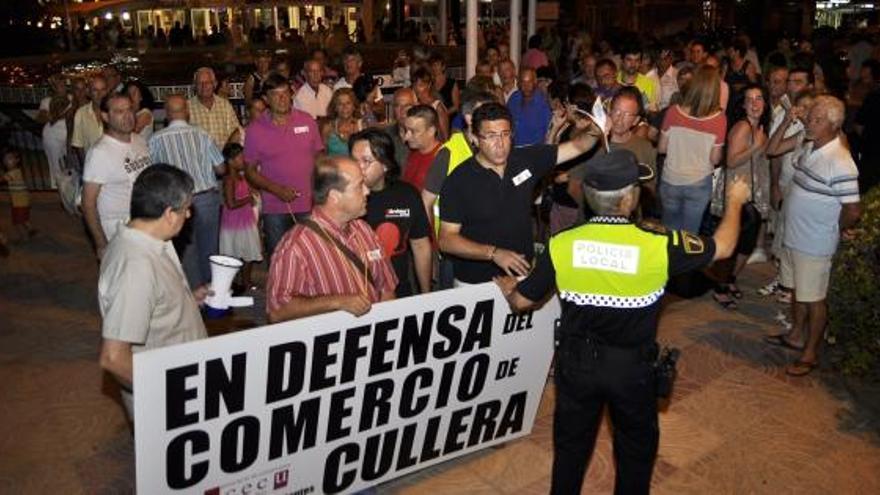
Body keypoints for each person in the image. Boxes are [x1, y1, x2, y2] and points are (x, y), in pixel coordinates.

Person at [495, 149, 750, 495]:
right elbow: (723, 247)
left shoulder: (562, 243)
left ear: (588, 195)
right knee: (634, 454)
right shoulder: (659, 245)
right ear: (629, 198)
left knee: (570, 451)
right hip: (632, 369)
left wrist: (509, 288)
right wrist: (734, 201)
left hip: (576, 365)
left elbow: (522, 302)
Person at [438, 102, 603, 285]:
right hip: (475, 282)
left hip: (522, 274)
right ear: (475, 138)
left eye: (505, 134)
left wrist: (597, 129)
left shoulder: (526, 159)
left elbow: (580, 146)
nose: (499, 144)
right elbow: (446, 239)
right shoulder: (458, 180)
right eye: (490, 136)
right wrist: (493, 253)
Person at [98, 164, 209, 421]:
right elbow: (113, 358)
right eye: (186, 209)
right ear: (169, 213)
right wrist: (168, 394)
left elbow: (149, 303)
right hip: (169, 402)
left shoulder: (148, 240)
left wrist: (188, 301)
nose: (189, 215)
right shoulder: (136, 266)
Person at [768, 96, 861, 377]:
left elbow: (853, 211)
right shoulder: (811, 146)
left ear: (834, 125)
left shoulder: (841, 161)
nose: (810, 121)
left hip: (814, 243)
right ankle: (796, 335)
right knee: (798, 290)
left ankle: (810, 354)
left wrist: (834, 227)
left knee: (815, 299)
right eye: (811, 116)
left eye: (818, 119)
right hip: (795, 236)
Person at [266, 155, 398, 323]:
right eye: (359, 186)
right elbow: (277, 312)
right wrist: (337, 302)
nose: (367, 191)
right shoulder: (296, 247)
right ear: (334, 196)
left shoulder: (364, 230)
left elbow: (387, 289)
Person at [148, 94, 226, 288]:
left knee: (187, 252)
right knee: (210, 250)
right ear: (187, 112)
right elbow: (221, 169)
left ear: (167, 114)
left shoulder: (155, 140)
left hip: (177, 202)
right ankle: (213, 294)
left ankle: (195, 296)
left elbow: (152, 173)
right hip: (207, 198)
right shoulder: (202, 134)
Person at [244, 73, 324, 260]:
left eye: (285, 93)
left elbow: (319, 158)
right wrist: (276, 190)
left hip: (309, 204)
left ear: (292, 94)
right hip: (275, 208)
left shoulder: (307, 121)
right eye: (275, 94)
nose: (282, 98)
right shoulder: (255, 130)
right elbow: (249, 171)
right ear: (266, 99)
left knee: (311, 257)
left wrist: (319, 192)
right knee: (279, 259)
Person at [351, 129, 432, 296]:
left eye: (366, 161)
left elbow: (421, 246)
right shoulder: (341, 198)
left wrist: (426, 294)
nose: (358, 168)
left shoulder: (407, 195)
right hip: (356, 296)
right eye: (353, 160)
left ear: (385, 164)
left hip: (399, 291)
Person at [712, 83, 770, 310]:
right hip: (736, 193)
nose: (755, 103)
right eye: (750, 99)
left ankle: (729, 280)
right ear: (744, 104)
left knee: (747, 243)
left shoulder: (760, 127)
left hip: (751, 194)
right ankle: (720, 287)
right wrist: (755, 147)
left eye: (759, 99)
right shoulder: (742, 127)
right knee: (734, 244)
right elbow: (731, 161)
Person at [82, 93, 153, 258]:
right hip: (116, 230)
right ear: (106, 116)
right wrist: (101, 243)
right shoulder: (100, 152)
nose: (127, 116)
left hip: (143, 225)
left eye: (129, 110)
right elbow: (88, 203)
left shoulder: (139, 141)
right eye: (119, 111)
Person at [658, 65, 727, 232]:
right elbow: (715, 159)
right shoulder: (719, 120)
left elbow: (661, 148)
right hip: (699, 183)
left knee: (669, 233)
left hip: (671, 179)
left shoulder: (673, 112)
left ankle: (670, 258)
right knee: (690, 237)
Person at [219, 143, 262, 291]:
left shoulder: (240, 176)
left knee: (248, 250)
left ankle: (246, 281)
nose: (243, 160)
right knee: (233, 252)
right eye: (239, 158)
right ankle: (233, 282)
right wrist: (248, 199)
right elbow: (231, 204)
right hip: (234, 221)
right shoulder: (229, 180)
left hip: (245, 219)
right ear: (230, 161)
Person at [189, 67, 242, 149]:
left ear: (215, 84)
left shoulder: (225, 105)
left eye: (207, 83)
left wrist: (228, 156)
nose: (204, 86)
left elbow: (236, 132)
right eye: (200, 83)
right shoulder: (186, 107)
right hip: (199, 159)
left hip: (223, 157)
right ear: (195, 86)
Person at [401, 104, 443, 192]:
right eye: (406, 130)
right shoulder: (412, 153)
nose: (406, 137)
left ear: (431, 131)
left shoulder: (442, 158)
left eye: (413, 131)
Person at [508, 67, 552, 147]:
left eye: (529, 82)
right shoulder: (514, 98)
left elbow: (548, 135)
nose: (526, 86)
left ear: (535, 82)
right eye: (523, 82)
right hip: (515, 151)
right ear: (518, 83)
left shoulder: (543, 104)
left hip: (535, 152)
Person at [0, 148, 36, 240]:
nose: (7, 161)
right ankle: (30, 229)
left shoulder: (14, 172)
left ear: (17, 160)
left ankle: (23, 236)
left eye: (10, 158)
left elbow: (3, 179)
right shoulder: (16, 171)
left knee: (17, 220)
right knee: (22, 218)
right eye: (5, 159)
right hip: (20, 201)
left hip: (19, 201)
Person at [71, 75, 109, 162]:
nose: (100, 94)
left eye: (103, 90)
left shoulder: (115, 112)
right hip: (92, 167)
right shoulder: (81, 113)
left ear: (107, 91)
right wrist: (85, 168)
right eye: (95, 90)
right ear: (89, 92)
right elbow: (79, 145)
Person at [320, 88, 364, 156]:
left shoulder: (362, 126)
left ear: (354, 106)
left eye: (348, 103)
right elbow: (322, 156)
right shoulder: (328, 128)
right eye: (340, 104)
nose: (344, 107)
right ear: (335, 108)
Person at [411, 67, 450, 141]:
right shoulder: (414, 104)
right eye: (414, 85)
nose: (416, 89)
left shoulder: (437, 107)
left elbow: (445, 137)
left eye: (420, 85)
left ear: (428, 85)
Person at [618, 44, 660, 113]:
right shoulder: (613, 79)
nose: (633, 64)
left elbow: (652, 110)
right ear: (622, 61)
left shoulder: (649, 83)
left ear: (640, 62)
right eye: (629, 60)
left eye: (637, 60)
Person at [385, 88, 417, 170]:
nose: (402, 111)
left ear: (416, 106)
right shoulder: (386, 136)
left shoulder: (425, 136)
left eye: (407, 106)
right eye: (397, 106)